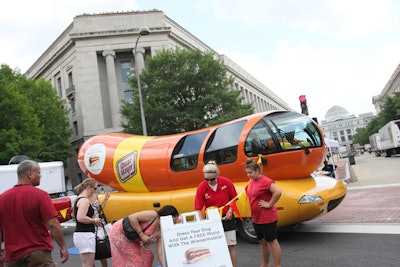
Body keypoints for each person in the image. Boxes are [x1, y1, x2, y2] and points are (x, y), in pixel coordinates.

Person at [0, 159, 69, 266]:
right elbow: (53, 224)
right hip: (37, 252)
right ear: (30, 174)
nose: (40, 176)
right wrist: (63, 247)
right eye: (39, 173)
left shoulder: (2, 198)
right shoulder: (40, 195)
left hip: (13, 256)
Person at [194, 161, 238, 267]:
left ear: (217, 175)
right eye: (206, 179)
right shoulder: (202, 187)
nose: (209, 182)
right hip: (212, 221)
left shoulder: (226, 182)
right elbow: (198, 208)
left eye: (212, 179)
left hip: (227, 218)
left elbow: (235, 198)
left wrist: (230, 211)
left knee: (230, 246)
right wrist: (202, 223)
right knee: (215, 248)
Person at [108, 205, 180, 267]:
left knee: (148, 256)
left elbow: (160, 252)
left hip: (133, 238)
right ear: (166, 216)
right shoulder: (153, 215)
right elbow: (132, 217)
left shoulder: (162, 231)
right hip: (120, 232)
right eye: (173, 221)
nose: (172, 224)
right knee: (136, 260)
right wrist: (142, 235)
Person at [245, 159, 282, 267]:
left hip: (267, 218)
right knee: (262, 242)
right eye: (247, 173)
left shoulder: (266, 181)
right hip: (256, 218)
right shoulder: (252, 181)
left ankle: (277, 265)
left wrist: (269, 204)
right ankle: (265, 263)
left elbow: (278, 192)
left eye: (250, 172)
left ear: (257, 170)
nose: (248, 175)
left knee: (272, 242)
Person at [73, 178, 103, 267]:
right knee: (88, 264)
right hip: (85, 234)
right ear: (89, 187)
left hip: (83, 234)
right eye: (95, 188)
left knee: (88, 263)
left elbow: (75, 215)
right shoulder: (84, 200)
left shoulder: (78, 199)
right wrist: (94, 220)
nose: (95, 191)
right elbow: (80, 217)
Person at [90, 190, 110, 267]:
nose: (95, 189)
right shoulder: (84, 198)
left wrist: (105, 199)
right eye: (94, 187)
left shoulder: (95, 195)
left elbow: (98, 210)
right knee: (91, 251)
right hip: (91, 225)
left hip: (98, 224)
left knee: (101, 247)